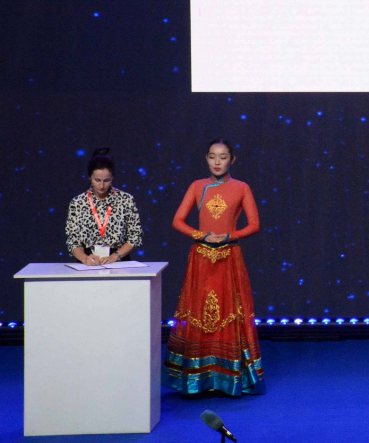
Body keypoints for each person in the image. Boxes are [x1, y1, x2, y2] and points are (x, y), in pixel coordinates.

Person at [164, 139, 264, 396]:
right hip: (201, 257)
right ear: (206, 158)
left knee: (229, 313)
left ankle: (229, 379)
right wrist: (202, 235)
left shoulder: (242, 187)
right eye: (212, 156)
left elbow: (254, 224)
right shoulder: (197, 186)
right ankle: (197, 378)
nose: (217, 162)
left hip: (229, 257)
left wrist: (230, 236)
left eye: (223, 157)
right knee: (198, 313)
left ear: (232, 159)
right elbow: (177, 220)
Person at [65, 148, 143, 265]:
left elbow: (135, 236)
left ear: (112, 178)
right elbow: (73, 240)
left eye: (106, 180)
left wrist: (114, 256)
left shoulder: (126, 200)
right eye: (97, 180)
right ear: (90, 178)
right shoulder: (78, 203)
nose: (101, 185)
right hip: (88, 263)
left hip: (118, 262)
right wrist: (85, 259)